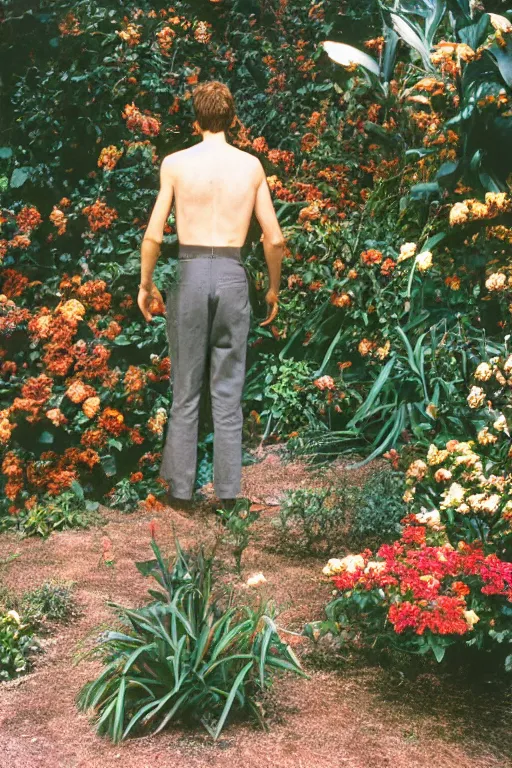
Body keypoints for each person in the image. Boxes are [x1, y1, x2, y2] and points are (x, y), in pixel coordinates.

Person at [137, 80, 285, 511]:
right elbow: (274, 239)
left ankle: (181, 492)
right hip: (233, 274)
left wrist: (145, 285)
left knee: (185, 387)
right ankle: (227, 494)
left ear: (196, 119)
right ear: (232, 117)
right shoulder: (251, 167)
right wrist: (273, 288)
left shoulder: (176, 164)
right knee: (228, 388)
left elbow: (153, 235)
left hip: (190, 271)